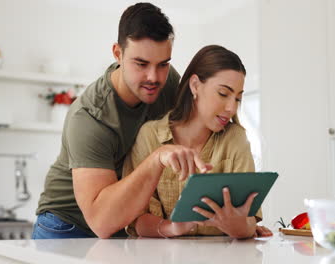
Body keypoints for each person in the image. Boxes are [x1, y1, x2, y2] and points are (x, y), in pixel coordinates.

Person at [32, 2, 210, 239]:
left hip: (124, 221)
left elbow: (199, 129)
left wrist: (236, 223)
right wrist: (158, 157)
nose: (153, 77)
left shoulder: (166, 83)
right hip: (68, 223)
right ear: (118, 53)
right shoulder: (89, 116)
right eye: (141, 64)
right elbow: (101, 222)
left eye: (163, 64)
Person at [123, 45, 273, 238]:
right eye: (223, 94)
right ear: (195, 85)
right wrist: (173, 227)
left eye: (237, 98)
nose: (231, 108)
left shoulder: (235, 139)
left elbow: (250, 222)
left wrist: (238, 228)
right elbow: (138, 219)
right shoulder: (150, 136)